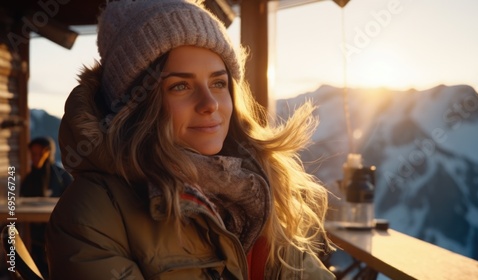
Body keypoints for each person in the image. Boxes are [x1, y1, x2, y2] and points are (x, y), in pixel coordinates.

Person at [46, 0, 336, 279]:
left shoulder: (254, 188)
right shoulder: (91, 215)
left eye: (218, 83)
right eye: (180, 86)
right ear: (135, 106)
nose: (209, 103)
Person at [20, 136, 72, 278]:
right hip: (35, 235)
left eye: (39, 154)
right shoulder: (29, 179)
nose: (36, 158)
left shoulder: (61, 176)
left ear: (48, 153)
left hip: (58, 234)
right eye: (33, 154)